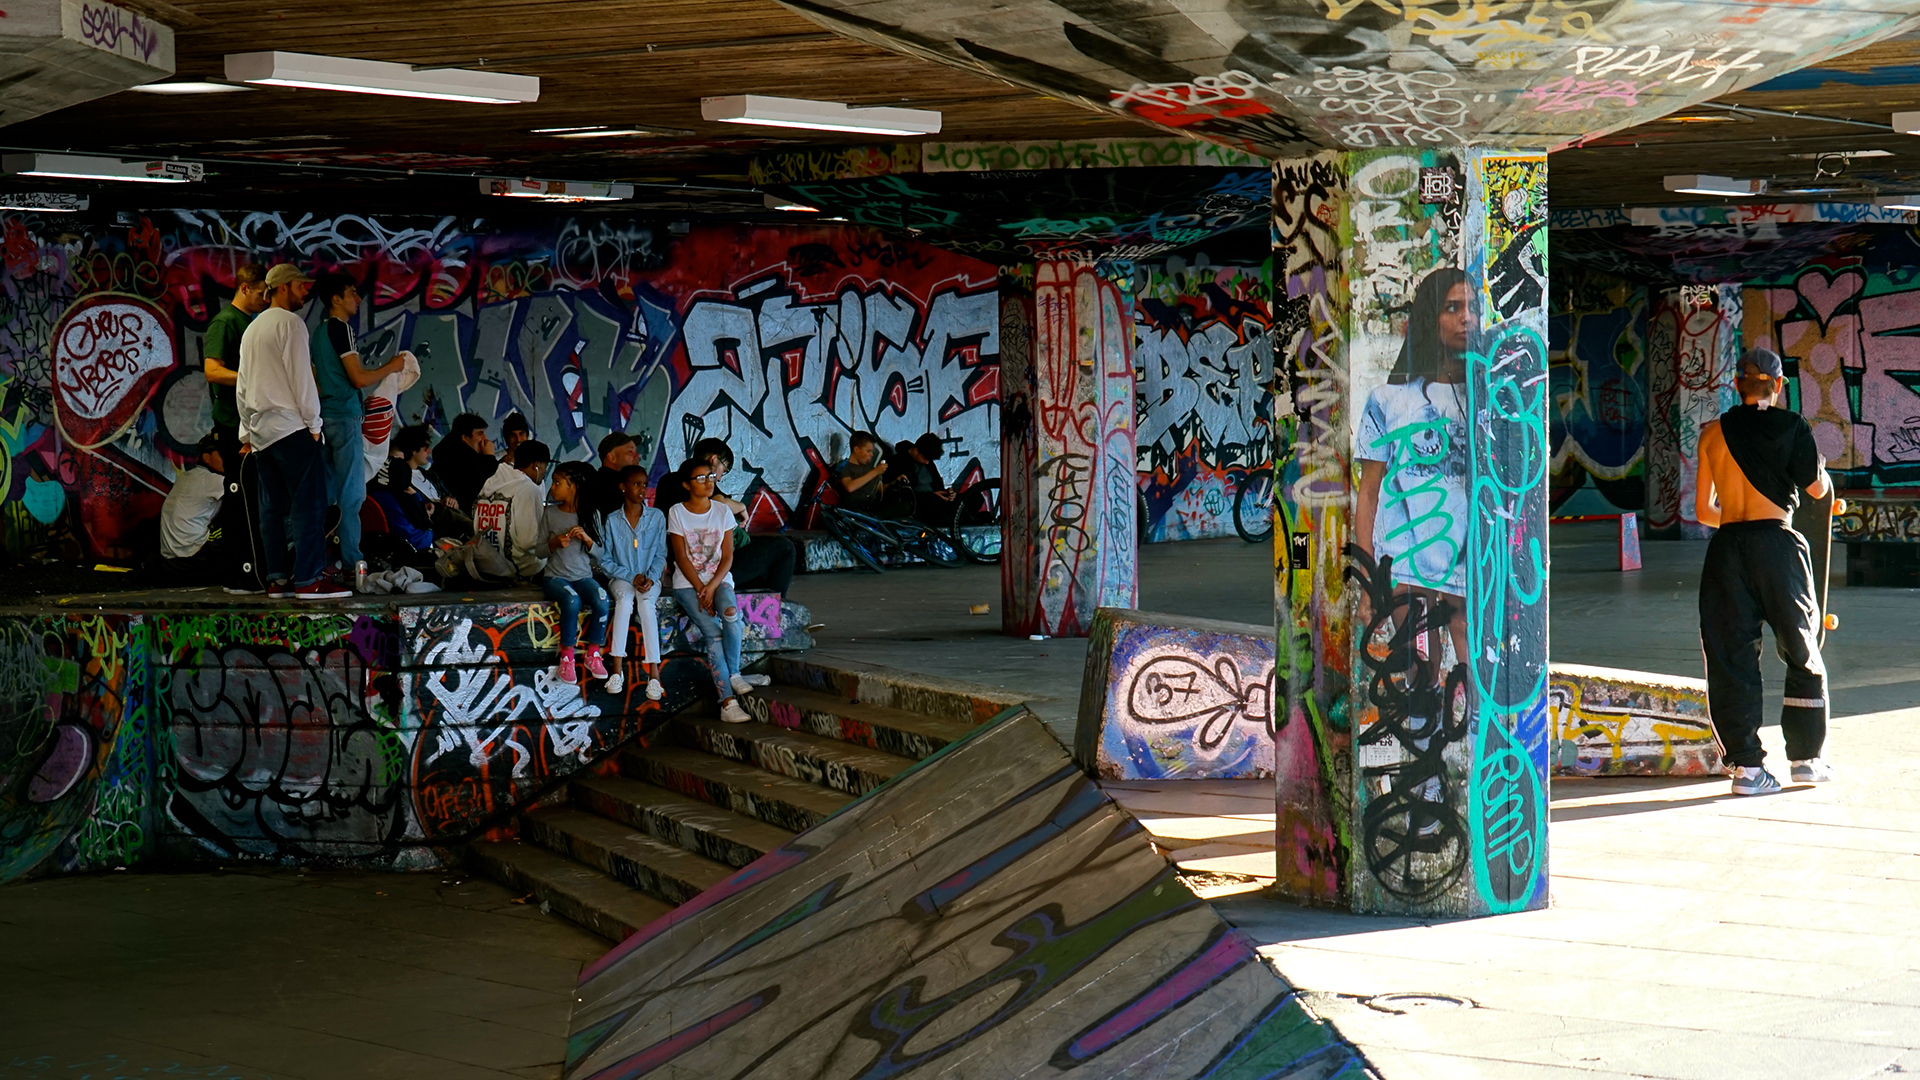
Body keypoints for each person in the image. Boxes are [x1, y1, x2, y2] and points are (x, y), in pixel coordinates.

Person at [1696, 347, 1834, 796]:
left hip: (1726, 549)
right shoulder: (1792, 426)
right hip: (1777, 544)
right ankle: (1806, 760)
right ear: (1777, 386)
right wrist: (1820, 472)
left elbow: (1704, 511)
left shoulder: (1712, 434)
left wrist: (1739, 519)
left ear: (1737, 384)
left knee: (1730, 655)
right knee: (1801, 647)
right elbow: (1817, 490)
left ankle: (1748, 770)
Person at [1353, 267, 1470, 666]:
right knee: (1420, 675)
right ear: (1429, 318)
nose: (1466, 318)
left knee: (1474, 670)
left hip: (1469, 563)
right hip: (1406, 563)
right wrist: (1369, 583)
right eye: (1452, 308)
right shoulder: (1388, 400)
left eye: (1472, 308)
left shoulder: (1489, 397)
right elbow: (1369, 494)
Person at [236, 263, 349, 600]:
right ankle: (310, 580)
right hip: (290, 427)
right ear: (283, 287)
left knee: (271, 509)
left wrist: (246, 433)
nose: (306, 293)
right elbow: (302, 380)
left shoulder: (252, 329)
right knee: (308, 505)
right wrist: (314, 424)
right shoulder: (291, 324)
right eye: (301, 286)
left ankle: (278, 579)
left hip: (261, 433)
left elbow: (243, 385)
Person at [310, 273, 409, 583]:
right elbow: (358, 378)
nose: (358, 299)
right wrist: (391, 367)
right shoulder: (341, 329)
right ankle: (353, 562)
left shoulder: (317, 333)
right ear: (336, 299)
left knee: (326, 494)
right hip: (345, 417)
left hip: (324, 417)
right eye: (352, 293)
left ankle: (321, 558)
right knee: (351, 495)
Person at [669, 458, 754, 724]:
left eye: (710, 477)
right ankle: (727, 703)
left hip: (718, 580)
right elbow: (681, 557)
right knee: (714, 635)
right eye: (700, 478)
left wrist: (711, 587)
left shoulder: (722, 511)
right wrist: (700, 589)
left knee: (730, 613)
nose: (708, 482)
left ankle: (734, 674)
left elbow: (727, 556)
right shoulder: (677, 512)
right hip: (687, 584)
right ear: (686, 484)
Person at [595, 464, 668, 700]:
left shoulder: (656, 517)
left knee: (646, 603)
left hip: (649, 579)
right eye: (636, 484)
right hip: (622, 579)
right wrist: (630, 576)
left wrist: (651, 577)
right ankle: (616, 670)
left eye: (645, 484)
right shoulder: (612, 520)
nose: (642, 489)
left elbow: (661, 554)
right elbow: (605, 560)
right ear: (622, 487)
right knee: (625, 601)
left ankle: (654, 675)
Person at [542, 461, 611, 685]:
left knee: (602, 599)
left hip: (583, 577)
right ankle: (567, 657)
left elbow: (601, 554)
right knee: (571, 600)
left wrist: (588, 540)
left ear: (573, 487)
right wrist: (553, 543)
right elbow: (538, 550)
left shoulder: (592, 515)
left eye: (557, 483)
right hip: (555, 577)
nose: (552, 487)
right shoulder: (550, 513)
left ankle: (593, 653)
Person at [201, 263, 268, 465]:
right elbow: (212, 371)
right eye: (260, 294)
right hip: (232, 422)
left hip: (250, 421)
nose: (265, 300)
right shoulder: (225, 322)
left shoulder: (250, 322)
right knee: (238, 480)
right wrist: (252, 379)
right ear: (245, 288)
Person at [474, 439, 551, 580]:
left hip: (488, 562)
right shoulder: (529, 489)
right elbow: (528, 542)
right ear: (536, 465)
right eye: (545, 466)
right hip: (521, 567)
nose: (545, 471)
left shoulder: (490, 481)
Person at [159, 436, 228, 585]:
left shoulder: (185, 476)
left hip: (170, 555)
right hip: (192, 552)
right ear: (206, 458)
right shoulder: (213, 480)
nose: (227, 459)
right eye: (222, 454)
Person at [433, 414, 499, 512]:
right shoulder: (458, 458)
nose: (484, 438)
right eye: (480, 434)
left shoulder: (453, 452)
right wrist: (489, 456)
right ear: (465, 438)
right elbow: (489, 480)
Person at [890, 432, 957, 525]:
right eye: (926, 458)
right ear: (916, 450)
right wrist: (932, 495)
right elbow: (903, 494)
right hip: (921, 505)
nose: (927, 462)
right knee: (939, 506)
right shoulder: (898, 462)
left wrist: (948, 493)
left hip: (936, 500)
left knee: (970, 499)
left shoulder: (929, 463)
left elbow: (937, 484)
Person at [833, 431, 904, 516]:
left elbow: (880, 489)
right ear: (856, 450)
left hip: (871, 509)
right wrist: (875, 472)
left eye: (872, 452)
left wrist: (895, 482)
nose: (871, 455)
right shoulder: (845, 467)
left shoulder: (869, 468)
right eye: (868, 451)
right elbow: (850, 487)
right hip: (852, 511)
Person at [588, 432, 639, 520]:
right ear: (611, 457)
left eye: (636, 452)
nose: (637, 456)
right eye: (630, 452)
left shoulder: (595, 482)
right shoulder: (605, 487)